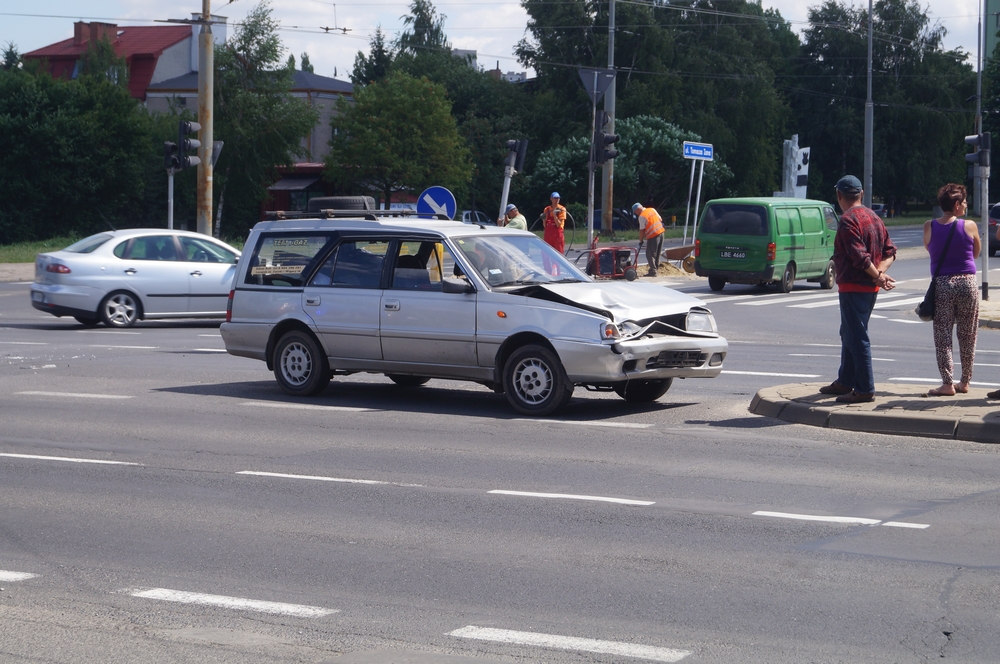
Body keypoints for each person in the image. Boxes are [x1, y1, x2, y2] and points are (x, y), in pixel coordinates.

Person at [818, 175, 897, 403]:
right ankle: (845, 380)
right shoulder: (874, 217)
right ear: (861, 194)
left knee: (857, 336)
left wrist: (877, 277)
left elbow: (859, 258)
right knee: (849, 332)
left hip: (853, 286)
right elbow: (890, 251)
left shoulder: (847, 220)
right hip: (869, 288)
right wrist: (879, 275)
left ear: (839, 196)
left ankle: (864, 389)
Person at [923, 184, 980, 396]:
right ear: (956, 205)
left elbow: (930, 249)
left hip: (943, 285)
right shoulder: (970, 225)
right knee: (968, 334)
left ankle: (947, 383)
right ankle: (965, 382)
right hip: (967, 283)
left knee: (943, 335)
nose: (966, 205)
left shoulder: (929, 226)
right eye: (964, 202)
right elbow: (975, 252)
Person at [633, 202, 665, 276]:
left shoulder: (642, 216)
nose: (636, 214)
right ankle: (656, 268)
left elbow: (641, 230)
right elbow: (660, 219)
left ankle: (653, 271)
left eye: (635, 212)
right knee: (657, 253)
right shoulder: (652, 209)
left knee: (649, 254)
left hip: (653, 235)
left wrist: (640, 240)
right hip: (661, 233)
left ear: (637, 209)